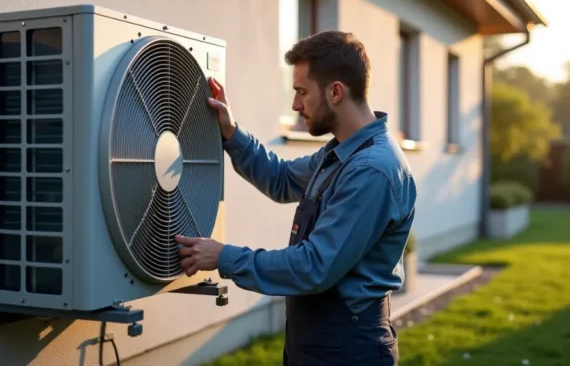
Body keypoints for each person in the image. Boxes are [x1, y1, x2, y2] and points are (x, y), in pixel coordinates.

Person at [174, 30, 416, 365]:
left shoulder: (371, 171)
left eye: (301, 91)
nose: (295, 104)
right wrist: (231, 132)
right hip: (318, 340)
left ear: (335, 92)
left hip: (347, 348)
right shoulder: (341, 154)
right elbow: (282, 178)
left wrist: (224, 257)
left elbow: (314, 267)